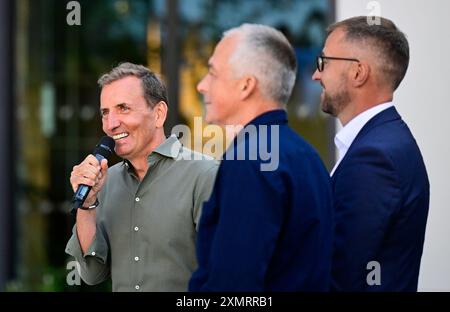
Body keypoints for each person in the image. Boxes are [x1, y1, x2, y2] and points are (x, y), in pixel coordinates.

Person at [189, 24, 333, 291]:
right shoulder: (307, 156)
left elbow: (233, 286)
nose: (201, 86)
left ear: (246, 86)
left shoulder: (251, 160)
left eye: (212, 73)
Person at [65, 62, 218, 291]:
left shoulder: (205, 174)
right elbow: (92, 274)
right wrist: (87, 206)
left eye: (123, 108)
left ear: (158, 114)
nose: (111, 124)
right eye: (105, 112)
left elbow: (227, 273)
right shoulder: (105, 182)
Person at [312, 16, 429, 291]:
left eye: (324, 63)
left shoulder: (375, 158)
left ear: (358, 73)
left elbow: (338, 276)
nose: (316, 75)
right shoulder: (384, 142)